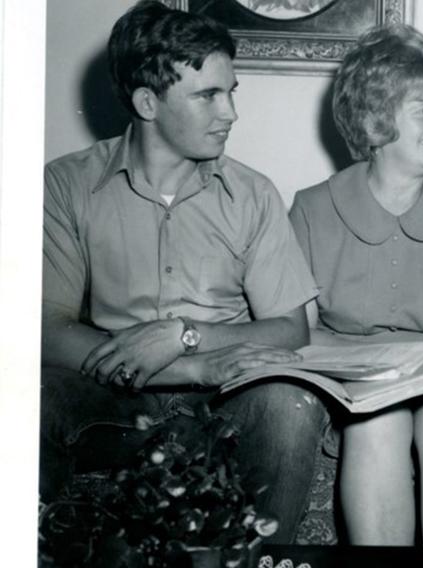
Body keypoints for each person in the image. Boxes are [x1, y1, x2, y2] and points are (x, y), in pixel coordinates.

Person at [40, 0, 325, 544]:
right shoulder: (67, 185)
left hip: (231, 396)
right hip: (116, 393)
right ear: (148, 102)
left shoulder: (252, 193)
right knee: (30, 399)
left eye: (230, 92)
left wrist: (181, 336)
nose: (230, 113)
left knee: (291, 407)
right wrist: (191, 367)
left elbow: (290, 328)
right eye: (207, 95)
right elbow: (46, 332)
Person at [288, 24, 423, 546]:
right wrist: (379, 368)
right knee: (376, 418)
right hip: (359, 387)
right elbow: (296, 334)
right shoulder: (313, 208)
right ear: (375, 120)